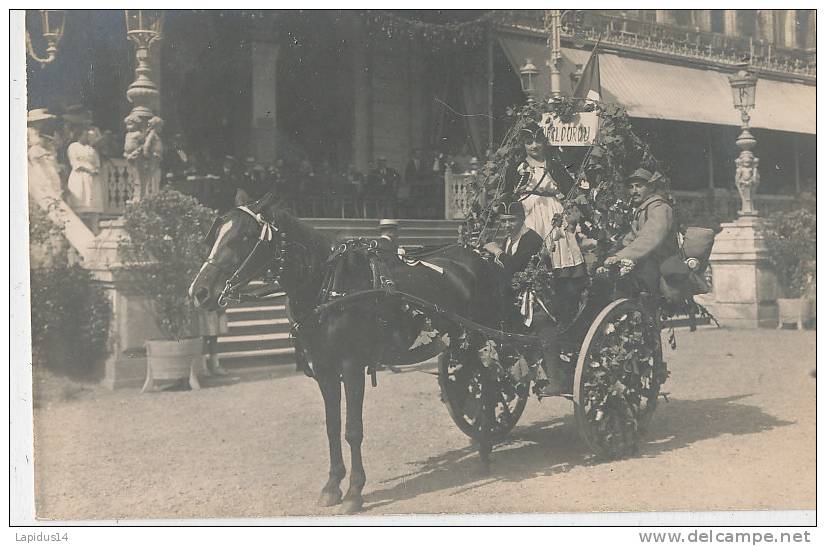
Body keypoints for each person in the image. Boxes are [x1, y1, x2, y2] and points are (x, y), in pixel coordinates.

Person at [483, 203, 566, 396]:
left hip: (539, 295)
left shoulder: (532, 239)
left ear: (522, 219)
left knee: (540, 320)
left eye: (511, 220)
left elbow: (514, 267)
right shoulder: (508, 240)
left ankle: (555, 378)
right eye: (503, 220)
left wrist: (496, 252)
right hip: (517, 294)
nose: (507, 225)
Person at [603, 168, 677, 296]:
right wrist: (614, 254)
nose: (634, 191)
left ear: (651, 187)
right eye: (631, 187)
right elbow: (632, 238)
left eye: (639, 186)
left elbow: (650, 238)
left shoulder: (659, 208)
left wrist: (620, 256)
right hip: (646, 261)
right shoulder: (643, 209)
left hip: (660, 265)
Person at [67, 127, 105, 229]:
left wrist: (96, 170)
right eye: (84, 135)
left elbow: (97, 163)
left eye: (87, 135)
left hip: (92, 179)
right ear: (79, 135)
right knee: (80, 200)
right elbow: (75, 163)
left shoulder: (90, 149)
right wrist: (89, 170)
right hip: (80, 176)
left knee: (93, 202)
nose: (86, 137)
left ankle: (94, 228)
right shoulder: (73, 146)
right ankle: (78, 228)